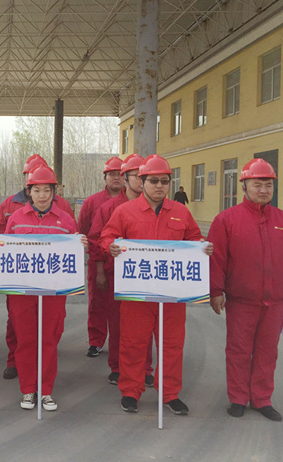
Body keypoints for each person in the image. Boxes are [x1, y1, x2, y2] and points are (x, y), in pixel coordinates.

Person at [100, 154, 212, 415]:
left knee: (172, 345)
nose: (159, 186)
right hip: (137, 294)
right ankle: (130, 391)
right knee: (133, 343)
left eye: (164, 181)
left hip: (172, 295)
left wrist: (203, 247)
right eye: (153, 181)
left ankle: (170, 393)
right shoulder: (125, 211)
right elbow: (106, 236)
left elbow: (195, 239)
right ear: (141, 182)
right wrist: (111, 246)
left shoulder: (180, 212)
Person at [0, 164, 86, 411]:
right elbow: (7, 251)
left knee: (49, 340)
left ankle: (46, 390)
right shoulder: (16, 219)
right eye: (37, 190)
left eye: (47, 190)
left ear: (54, 192)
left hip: (54, 292)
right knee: (25, 340)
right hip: (23, 292)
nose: (42, 195)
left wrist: (81, 245)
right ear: (28, 191)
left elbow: (73, 254)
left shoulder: (66, 220)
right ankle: (28, 389)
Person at [208, 158, 283, 422]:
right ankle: (238, 397)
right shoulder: (226, 220)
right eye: (257, 184)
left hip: (276, 301)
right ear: (244, 186)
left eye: (268, 185)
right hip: (242, 300)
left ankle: (262, 399)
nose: (263, 190)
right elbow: (217, 259)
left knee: (267, 351)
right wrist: (216, 291)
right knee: (238, 350)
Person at [88, 154, 154, 387]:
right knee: (117, 324)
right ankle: (117, 366)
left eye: (145, 176)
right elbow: (96, 239)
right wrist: (100, 272)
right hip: (115, 274)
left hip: (145, 276)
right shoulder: (109, 208)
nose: (141, 181)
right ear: (126, 178)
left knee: (144, 326)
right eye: (137, 176)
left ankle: (145, 367)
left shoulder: (154, 207)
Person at [78, 156, 124, 358]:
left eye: (120, 174)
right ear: (104, 178)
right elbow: (84, 230)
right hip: (98, 261)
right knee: (97, 303)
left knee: (123, 306)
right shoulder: (92, 202)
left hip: (125, 262)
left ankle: (122, 341)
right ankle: (96, 341)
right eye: (111, 174)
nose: (116, 178)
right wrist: (97, 265)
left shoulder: (134, 200)